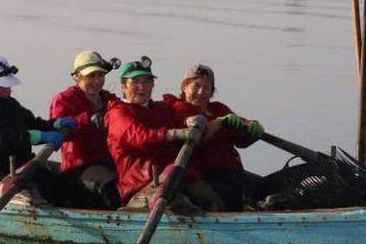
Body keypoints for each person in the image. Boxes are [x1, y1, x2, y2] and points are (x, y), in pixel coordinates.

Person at [104, 56, 225, 213]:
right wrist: (175, 134)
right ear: (123, 86)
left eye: (147, 81)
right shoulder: (118, 113)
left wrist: (190, 121)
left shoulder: (162, 108)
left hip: (175, 177)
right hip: (140, 186)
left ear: (153, 85)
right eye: (135, 82)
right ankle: (164, 204)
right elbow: (140, 137)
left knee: (213, 201)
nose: (142, 87)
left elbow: (180, 118)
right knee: (176, 197)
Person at [0, 55, 78, 205]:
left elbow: (32, 122)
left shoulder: (8, 103)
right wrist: (38, 137)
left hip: (23, 169)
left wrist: (54, 125)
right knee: (29, 201)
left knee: (69, 191)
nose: (8, 89)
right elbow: (2, 140)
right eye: (2, 86)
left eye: (8, 85)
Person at [162, 64, 264, 211]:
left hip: (230, 173)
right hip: (204, 175)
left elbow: (241, 139)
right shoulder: (179, 109)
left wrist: (251, 127)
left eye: (207, 88)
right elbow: (200, 139)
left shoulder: (218, 109)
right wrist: (219, 123)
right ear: (185, 87)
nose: (201, 92)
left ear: (212, 92)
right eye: (196, 86)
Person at [48, 51, 122, 209]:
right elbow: (57, 127)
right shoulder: (64, 99)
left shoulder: (109, 99)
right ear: (77, 77)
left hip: (110, 160)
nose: (97, 81)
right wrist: (88, 119)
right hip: (80, 166)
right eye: (91, 76)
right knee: (111, 185)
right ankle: (121, 223)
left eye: (100, 75)